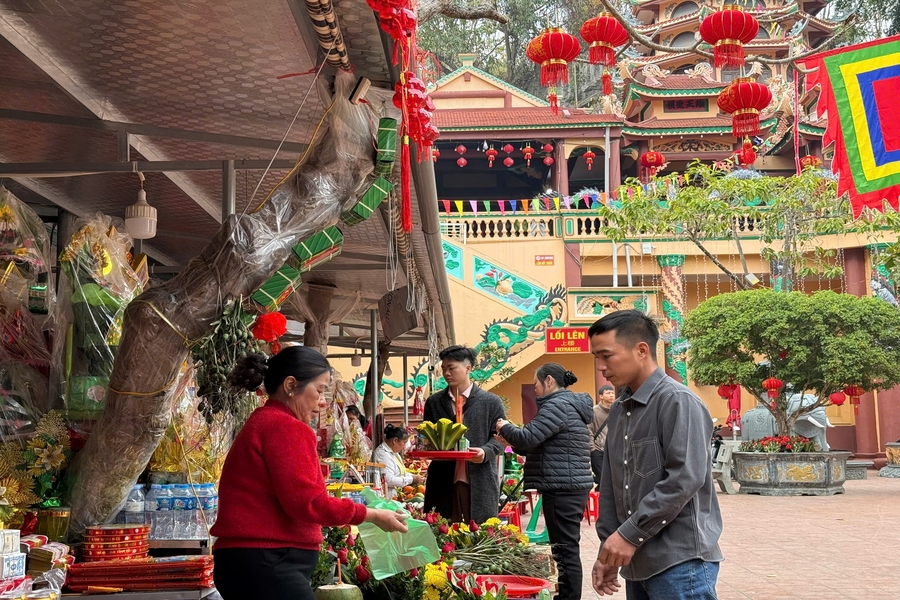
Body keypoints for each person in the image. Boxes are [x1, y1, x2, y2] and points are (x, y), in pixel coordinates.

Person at [211, 346, 408, 600]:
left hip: (252, 560)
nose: (323, 401)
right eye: (320, 390)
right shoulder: (285, 427)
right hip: (267, 560)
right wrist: (372, 515)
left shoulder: (265, 420)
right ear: (291, 385)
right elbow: (309, 503)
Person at [588, 310, 723, 600]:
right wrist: (608, 549)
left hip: (679, 562)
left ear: (641, 350)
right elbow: (611, 484)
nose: (600, 367)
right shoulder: (620, 408)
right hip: (636, 559)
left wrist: (626, 535)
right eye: (596, 357)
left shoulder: (677, 401)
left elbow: (683, 480)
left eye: (606, 356)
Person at [495, 364, 594, 600]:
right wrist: (510, 442)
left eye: (536, 384)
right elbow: (539, 444)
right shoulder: (566, 405)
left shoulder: (557, 405)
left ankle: (569, 597)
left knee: (565, 551)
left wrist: (505, 426)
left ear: (549, 380)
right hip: (567, 486)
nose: (536, 389)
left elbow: (528, 437)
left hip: (563, 488)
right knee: (564, 549)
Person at [423, 345, 506, 523]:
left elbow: (500, 438)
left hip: (480, 477)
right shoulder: (434, 402)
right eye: (443, 369)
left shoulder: (491, 402)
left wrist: (485, 452)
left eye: (451, 368)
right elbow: (427, 436)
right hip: (442, 478)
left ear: (468, 368)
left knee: (479, 530)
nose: (446, 373)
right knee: (442, 529)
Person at [372, 424, 425, 499]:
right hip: (386, 497)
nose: (404, 446)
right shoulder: (382, 454)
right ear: (395, 440)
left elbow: (401, 473)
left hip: (395, 495)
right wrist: (412, 479)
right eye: (404, 442)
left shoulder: (394, 453)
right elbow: (388, 480)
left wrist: (414, 477)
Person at [589, 385, 616, 489]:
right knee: (602, 479)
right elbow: (589, 431)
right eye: (608, 393)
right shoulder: (594, 411)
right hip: (598, 450)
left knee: (614, 479)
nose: (611, 395)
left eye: (612, 393)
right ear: (601, 396)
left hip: (613, 451)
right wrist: (593, 449)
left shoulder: (618, 410)